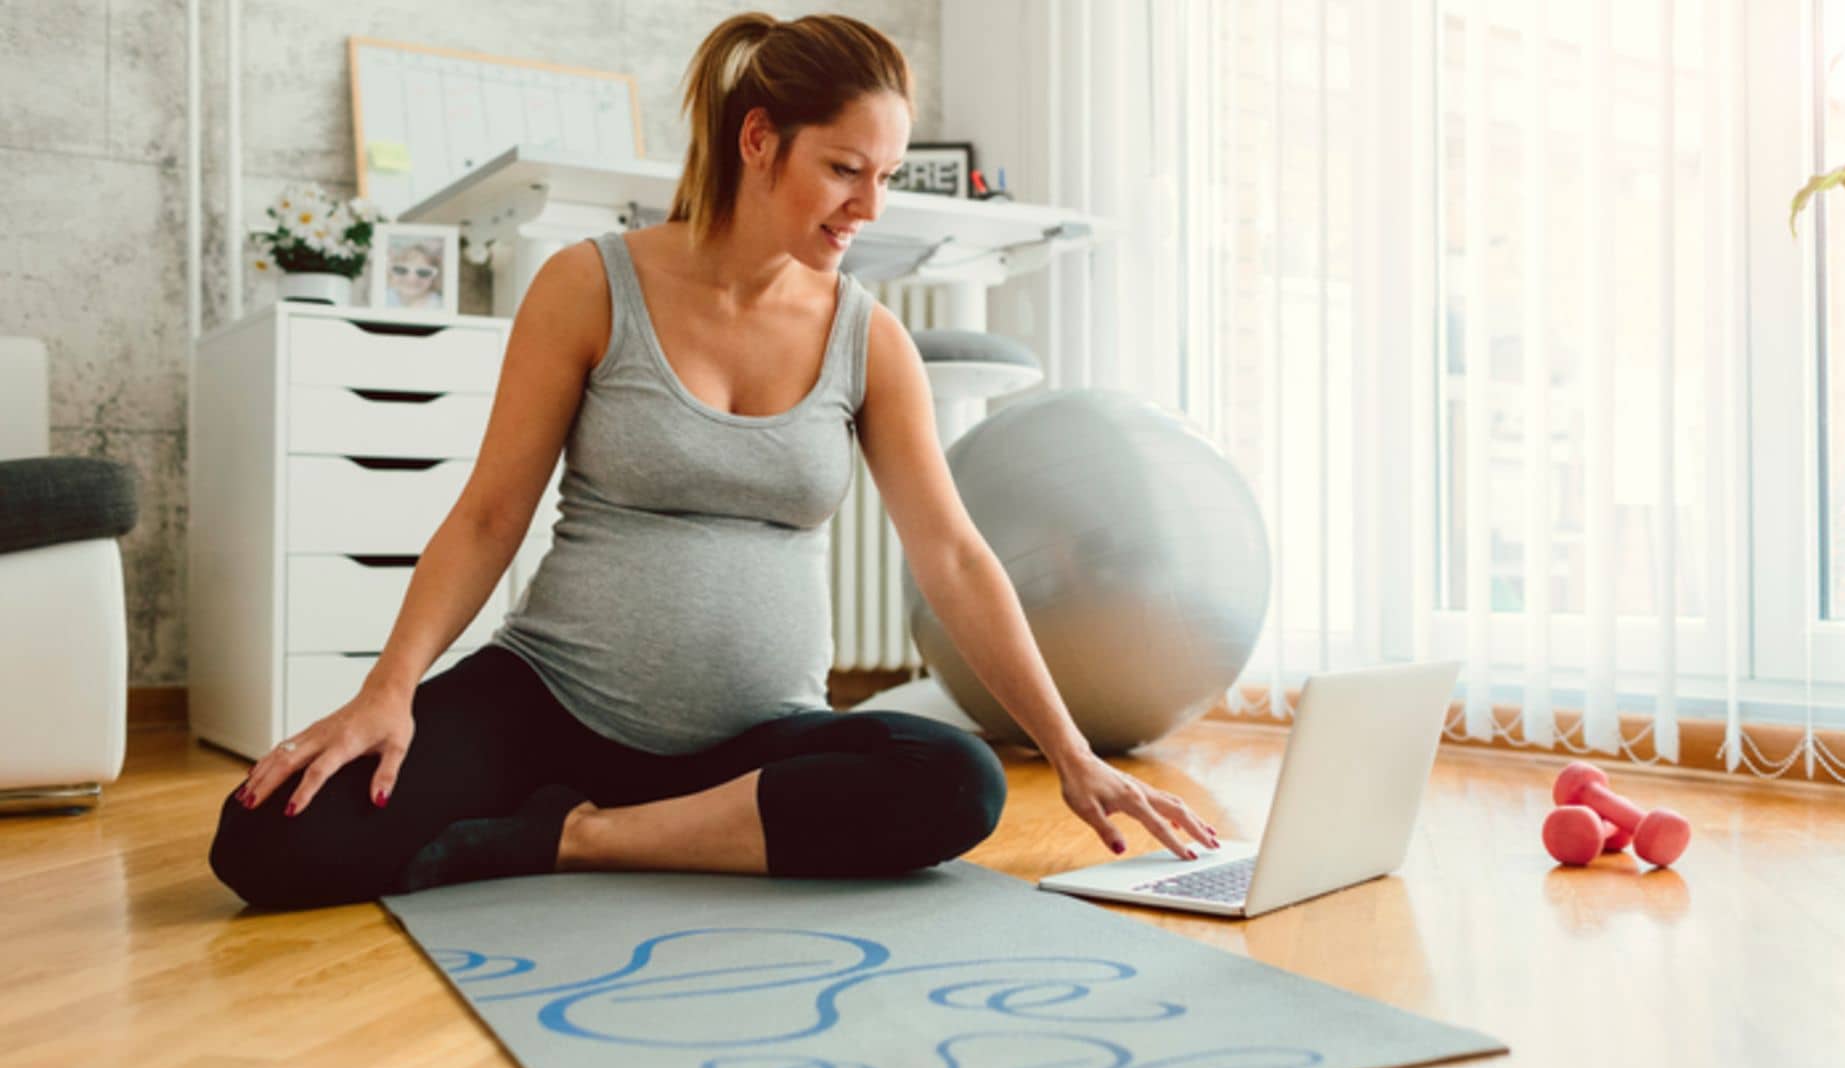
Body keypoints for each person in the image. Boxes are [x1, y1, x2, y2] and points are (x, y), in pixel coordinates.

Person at [208, 12, 1218, 911]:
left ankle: (575, 839)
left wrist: (1072, 753)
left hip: (755, 746)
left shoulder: (870, 340)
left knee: (958, 781)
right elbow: (487, 516)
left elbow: (952, 555)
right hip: (552, 706)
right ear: (759, 141)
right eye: (844, 168)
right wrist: (390, 688)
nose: (870, 205)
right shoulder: (589, 285)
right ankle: (617, 824)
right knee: (264, 842)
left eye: (887, 176)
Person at [384, 240, 445, 309]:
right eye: (401, 269)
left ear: (435, 278)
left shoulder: (439, 306)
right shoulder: (384, 297)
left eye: (423, 272)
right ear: (390, 274)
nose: (412, 278)